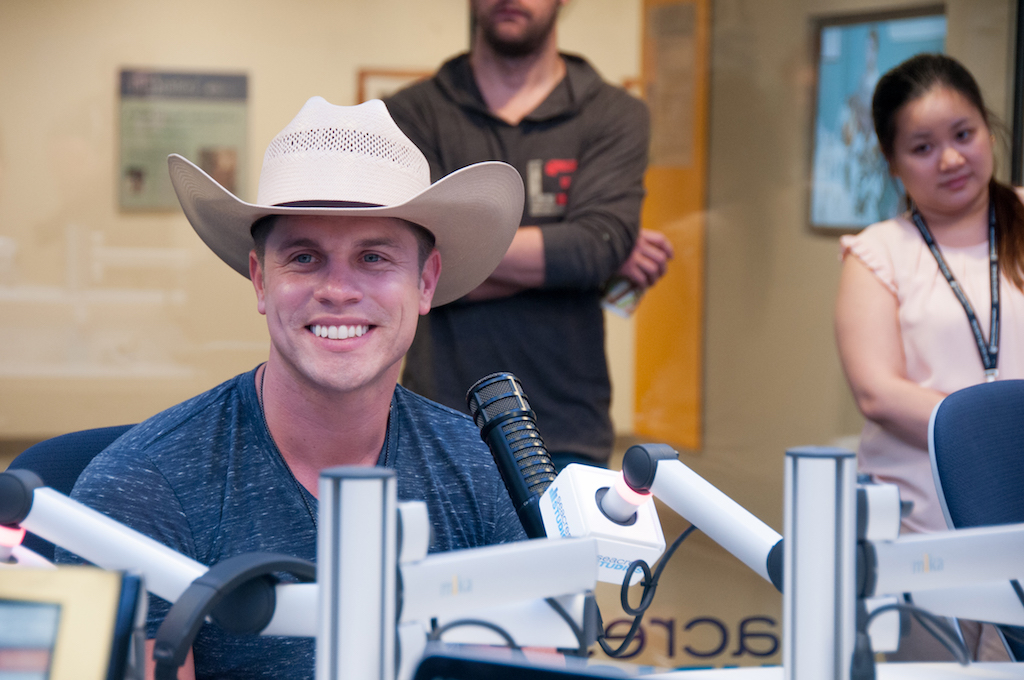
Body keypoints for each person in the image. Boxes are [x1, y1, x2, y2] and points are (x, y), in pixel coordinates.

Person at [57, 97, 528, 680]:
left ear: (425, 283)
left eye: (374, 257)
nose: (337, 290)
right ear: (260, 280)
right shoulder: (143, 488)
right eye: (304, 258)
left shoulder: (476, 465)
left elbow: (532, 659)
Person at [384, 0, 674, 470]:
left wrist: (449, 258)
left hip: (564, 427)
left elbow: (591, 249)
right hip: (436, 420)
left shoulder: (614, 115)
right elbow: (412, 256)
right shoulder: (408, 115)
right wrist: (573, 256)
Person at [835, 53, 1024, 660]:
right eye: (922, 147)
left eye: (963, 135)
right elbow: (877, 392)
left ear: (987, 129)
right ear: (891, 163)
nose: (949, 159)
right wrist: (997, 433)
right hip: (925, 530)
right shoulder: (879, 252)